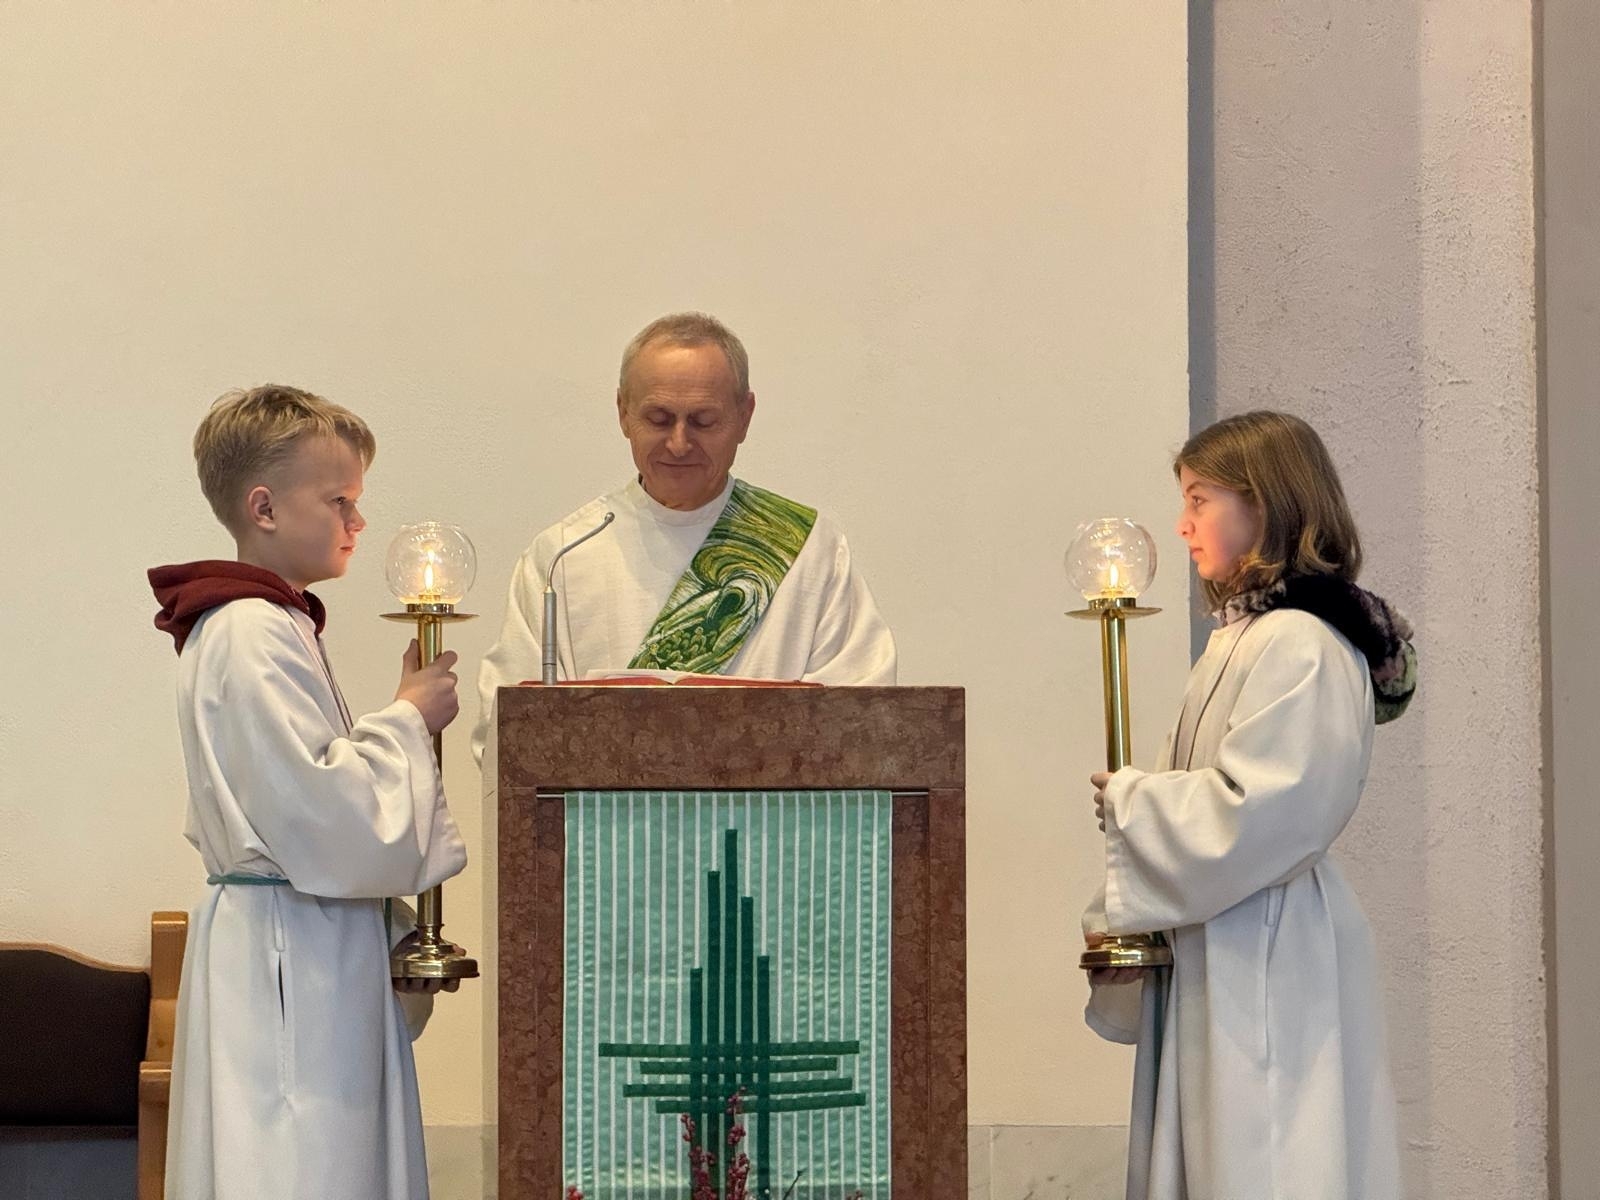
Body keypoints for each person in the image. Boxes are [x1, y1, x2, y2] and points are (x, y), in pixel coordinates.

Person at [1082, 410, 1415, 1200]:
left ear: (1264, 502)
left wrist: (1134, 804)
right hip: (1221, 933)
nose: (1182, 524)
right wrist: (1135, 835)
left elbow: (1266, 808)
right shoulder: (1239, 640)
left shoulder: (1301, 643)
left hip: (1266, 946)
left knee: (1265, 1157)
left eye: (1200, 499)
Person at [148, 384, 469, 1200]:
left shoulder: (271, 622)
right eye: (339, 500)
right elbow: (322, 813)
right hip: (288, 954)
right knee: (299, 1162)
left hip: (298, 935)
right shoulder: (250, 631)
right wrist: (408, 718)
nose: (357, 521)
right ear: (263, 507)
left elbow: (305, 796)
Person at [473, 311, 896, 765]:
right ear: (622, 412)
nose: (678, 443)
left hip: (767, 810)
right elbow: (507, 735)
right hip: (604, 813)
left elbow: (862, 720)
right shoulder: (563, 556)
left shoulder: (811, 551)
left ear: (745, 416)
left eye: (703, 421)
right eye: (658, 419)